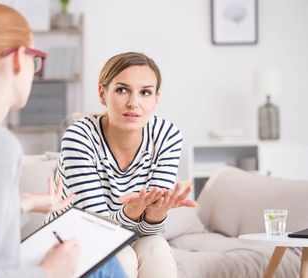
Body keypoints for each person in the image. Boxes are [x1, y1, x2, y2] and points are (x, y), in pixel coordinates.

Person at [0, 3, 125, 278]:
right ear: (18, 58)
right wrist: (49, 272)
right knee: (102, 264)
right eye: (36, 59)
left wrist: (25, 203)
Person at [47, 52, 198, 277]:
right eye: (121, 90)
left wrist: (156, 213)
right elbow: (97, 230)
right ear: (102, 94)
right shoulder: (80, 136)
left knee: (156, 247)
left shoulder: (166, 135)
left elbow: (151, 232)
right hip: (72, 240)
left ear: (156, 99)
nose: (133, 103)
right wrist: (132, 212)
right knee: (123, 256)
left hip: (127, 235)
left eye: (145, 92)